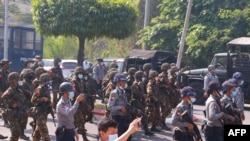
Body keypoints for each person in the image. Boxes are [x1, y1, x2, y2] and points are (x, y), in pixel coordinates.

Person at [1, 72, 29, 140]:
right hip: (12, 113)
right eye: (17, 79)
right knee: (16, 131)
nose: (19, 81)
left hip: (19, 112)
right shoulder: (10, 90)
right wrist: (12, 104)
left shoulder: (19, 89)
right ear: (13, 81)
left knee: (17, 131)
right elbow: (3, 97)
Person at [107, 73, 131, 140]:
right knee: (117, 137)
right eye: (123, 81)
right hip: (116, 118)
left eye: (125, 81)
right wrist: (120, 108)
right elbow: (109, 107)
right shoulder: (114, 93)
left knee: (127, 137)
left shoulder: (123, 92)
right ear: (118, 82)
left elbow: (125, 104)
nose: (124, 83)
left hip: (124, 118)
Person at [131, 70, 154, 136]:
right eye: (141, 76)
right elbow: (135, 93)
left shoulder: (140, 83)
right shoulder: (135, 84)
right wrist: (143, 95)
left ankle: (145, 129)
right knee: (143, 116)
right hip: (136, 102)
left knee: (140, 116)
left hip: (140, 102)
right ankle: (146, 130)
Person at [31, 73, 52, 141]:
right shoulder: (39, 88)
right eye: (47, 81)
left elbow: (48, 98)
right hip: (40, 112)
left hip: (44, 112)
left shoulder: (46, 88)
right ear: (44, 81)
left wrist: (49, 102)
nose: (49, 82)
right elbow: (33, 100)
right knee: (45, 134)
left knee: (37, 133)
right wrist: (42, 99)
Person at [0, 59, 11, 128]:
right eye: (7, 64)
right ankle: (6, 122)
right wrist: (0, 91)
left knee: (7, 107)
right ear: (3, 65)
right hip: (2, 92)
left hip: (7, 92)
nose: (8, 65)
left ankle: (7, 121)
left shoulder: (7, 72)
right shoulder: (0, 73)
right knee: (4, 107)